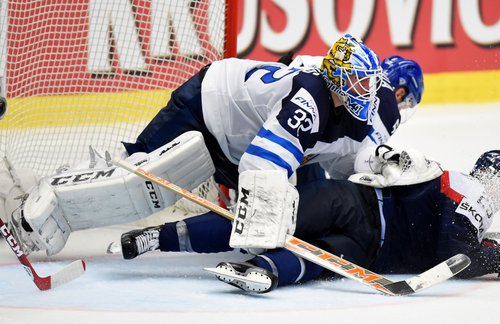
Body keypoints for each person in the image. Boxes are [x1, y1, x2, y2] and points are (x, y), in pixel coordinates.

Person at [3, 34, 424, 257]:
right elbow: (264, 161)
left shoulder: (369, 108)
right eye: (358, 82)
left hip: (242, 137)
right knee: (135, 175)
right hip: (209, 105)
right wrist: (265, 218)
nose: (367, 93)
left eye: (371, 84)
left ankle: (196, 222)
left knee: (303, 201)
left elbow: (353, 157)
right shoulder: (312, 97)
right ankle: (43, 204)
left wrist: (382, 162)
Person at [119, 149, 500, 293]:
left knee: (308, 254)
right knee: (269, 221)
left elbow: (456, 249)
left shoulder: (468, 198)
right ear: (494, 178)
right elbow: (455, 254)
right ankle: (157, 238)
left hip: (369, 241)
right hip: (359, 210)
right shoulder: (473, 189)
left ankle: (261, 271)